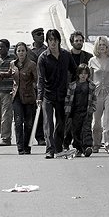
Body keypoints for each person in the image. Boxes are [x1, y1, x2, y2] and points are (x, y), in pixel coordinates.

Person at [37, 29, 77, 159]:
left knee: (61, 122)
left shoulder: (66, 55)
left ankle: (58, 147)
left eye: (55, 40)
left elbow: (75, 71)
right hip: (48, 96)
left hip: (62, 94)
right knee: (48, 123)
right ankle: (49, 149)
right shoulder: (43, 58)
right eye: (50, 40)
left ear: (59, 41)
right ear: (47, 42)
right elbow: (40, 79)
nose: (52, 43)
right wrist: (39, 96)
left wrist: (73, 87)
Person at [0, 42, 37, 155]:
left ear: (26, 52)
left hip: (29, 97)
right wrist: (0, 75)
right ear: (16, 52)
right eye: (19, 51)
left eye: (23, 50)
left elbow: (37, 80)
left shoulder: (32, 65)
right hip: (16, 97)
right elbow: (10, 74)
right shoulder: (13, 64)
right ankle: (20, 147)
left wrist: (39, 94)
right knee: (18, 122)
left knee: (28, 123)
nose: (21, 53)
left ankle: (27, 146)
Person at [64, 30, 94, 150]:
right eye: (76, 40)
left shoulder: (88, 57)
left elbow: (91, 74)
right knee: (68, 121)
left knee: (84, 122)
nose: (79, 42)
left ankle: (84, 145)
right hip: (69, 93)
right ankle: (66, 143)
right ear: (72, 42)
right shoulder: (66, 56)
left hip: (84, 93)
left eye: (81, 40)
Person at [64, 63, 96, 157]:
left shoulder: (91, 86)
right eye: (81, 73)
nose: (83, 75)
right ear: (78, 74)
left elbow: (94, 98)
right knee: (76, 131)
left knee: (86, 130)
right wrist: (67, 110)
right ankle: (78, 148)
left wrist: (92, 108)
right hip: (74, 112)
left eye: (85, 73)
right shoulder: (72, 86)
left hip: (86, 111)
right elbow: (68, 98)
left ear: (88, 75)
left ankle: (87, 147)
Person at [0, 39, 16, 146]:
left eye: (3, 47)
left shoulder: (13, 60)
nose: (0, 49)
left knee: (7, 116)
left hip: (8, 91)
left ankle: (6, 138)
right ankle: (3, 134)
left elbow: (15, 73)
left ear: (7, 48)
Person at [29, 27, 47, 145]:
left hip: (45, 85)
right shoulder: (28, 51)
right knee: (33, 113)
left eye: (42, 34)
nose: (42, 36)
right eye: (39, 34)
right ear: (34, 37)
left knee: (45, 113)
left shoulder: (47, 49)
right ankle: (37, 136)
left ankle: (44, 136)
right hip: (32, 86)